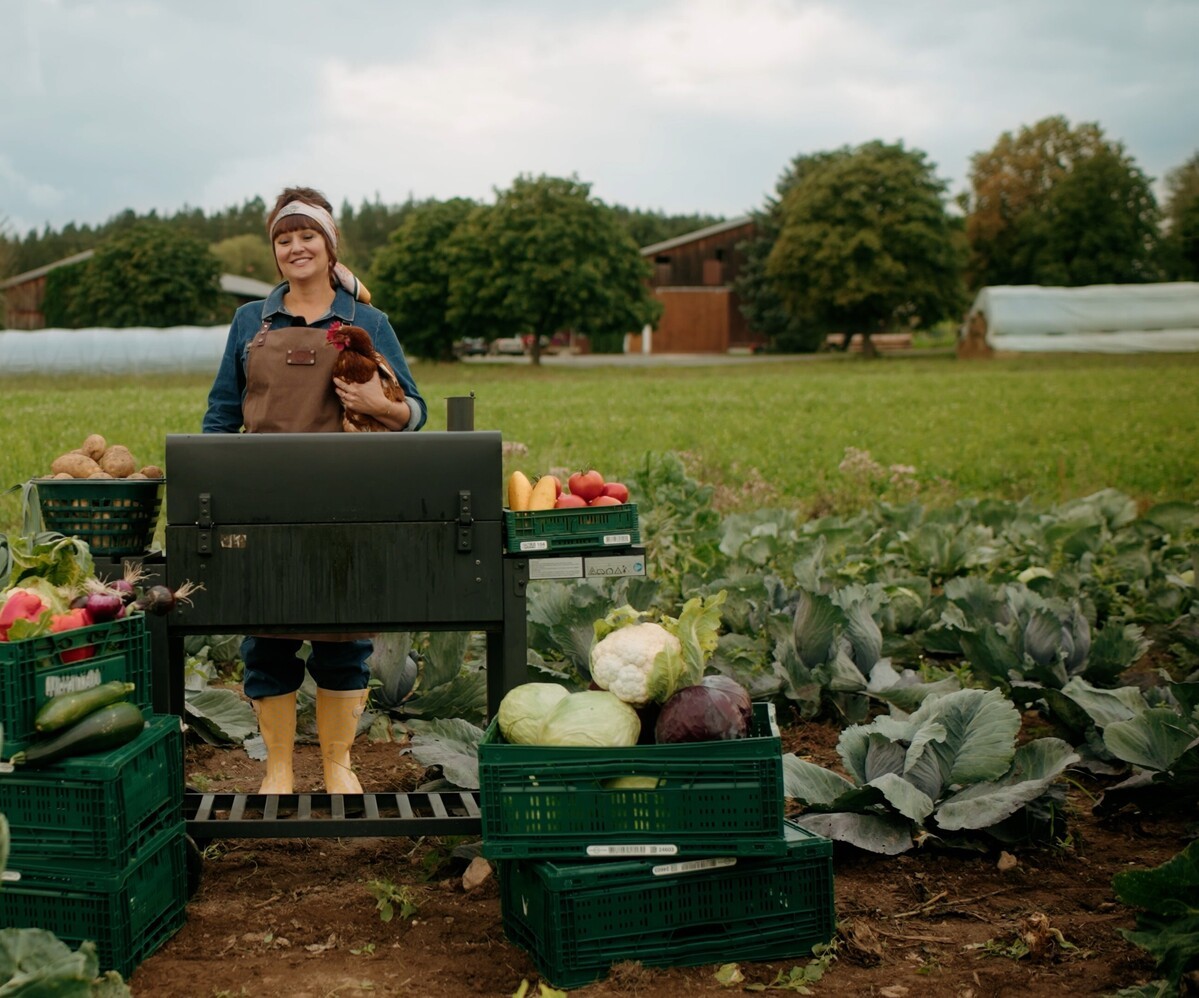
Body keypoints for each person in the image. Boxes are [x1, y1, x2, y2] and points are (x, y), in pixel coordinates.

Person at [203, 186, 427, 795]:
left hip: (347, 504)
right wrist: (212, 480)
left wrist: (383, 405)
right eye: (284, 238)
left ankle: (338, 766)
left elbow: (418, 412)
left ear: (330, 248)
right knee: (266, 642)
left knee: (342, 643)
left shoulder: (367, 322)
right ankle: (277, 768)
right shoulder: (251, 321)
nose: (296, 247)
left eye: (308, 236)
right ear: (274, 251)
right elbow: (221, 414)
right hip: (264, 505)